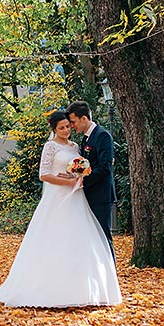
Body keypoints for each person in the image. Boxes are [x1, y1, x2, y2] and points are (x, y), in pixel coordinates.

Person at [0, 111, 121, 308]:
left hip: (76, 196)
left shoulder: (75, 146)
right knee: (53, 238)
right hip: (57, 197)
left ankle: (81, 288)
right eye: (62, 127)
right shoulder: (50, 146)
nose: (66, 130)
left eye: (68, 126)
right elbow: (44, 174)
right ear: (54, 129)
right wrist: (68, 182)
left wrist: (78, 177)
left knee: (79, 239)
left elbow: (86, 167)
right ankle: (48, 288)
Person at [67, 100, 115, 258]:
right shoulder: (85, 139)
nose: (72, 126)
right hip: (87, 195)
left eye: (73, 122)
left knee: (103, 236)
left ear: (84, 119)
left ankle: (110, 275)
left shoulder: (103, 136)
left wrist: (81, 181)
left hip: (100, 195)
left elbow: (105, 168)